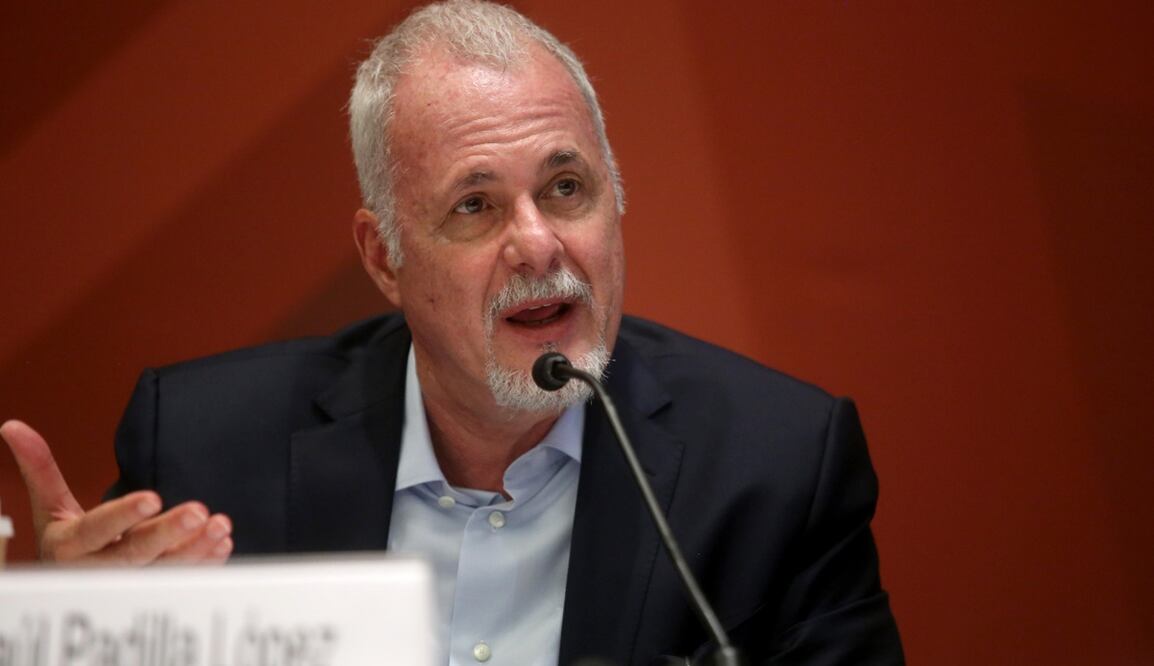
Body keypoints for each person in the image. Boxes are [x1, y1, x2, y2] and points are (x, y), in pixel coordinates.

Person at [1, 1, 903, 663]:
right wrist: (81, 642)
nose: (539, 243)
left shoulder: (779, 469)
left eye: (566, 189)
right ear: (384, 256)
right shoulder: (203, 452)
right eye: (475, 206)